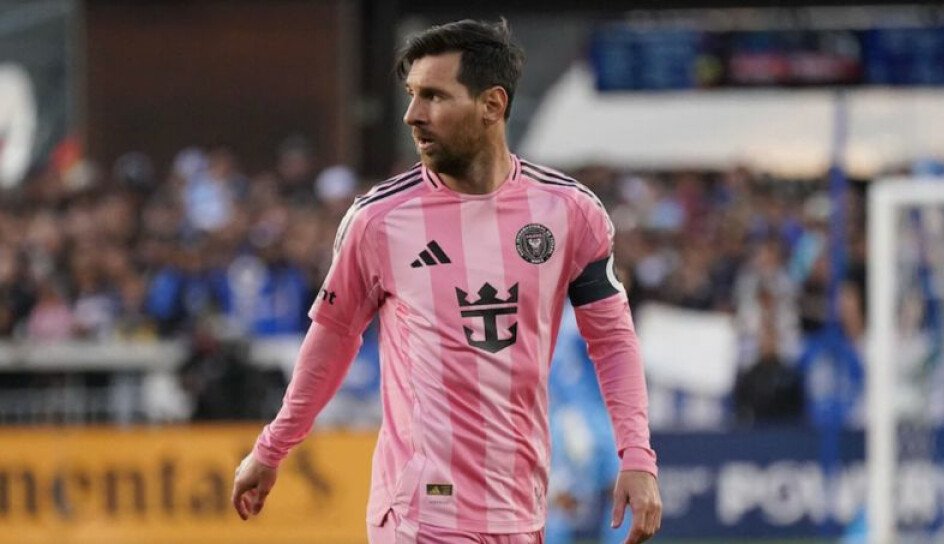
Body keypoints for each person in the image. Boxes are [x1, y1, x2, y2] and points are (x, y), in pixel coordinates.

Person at [232, 18, 661, 543]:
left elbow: (612, 340)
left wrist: (637, 456)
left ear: (492, 105)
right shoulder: (379, 220)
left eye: (433, 96)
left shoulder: (569, 213)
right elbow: (333, 337)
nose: (413, 114)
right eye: (412, 95)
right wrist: (273, 447)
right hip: (418, 513)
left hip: (520, 510)